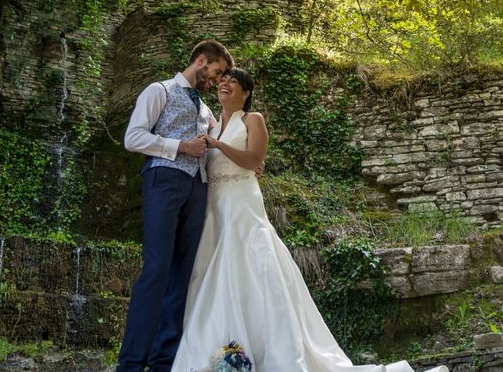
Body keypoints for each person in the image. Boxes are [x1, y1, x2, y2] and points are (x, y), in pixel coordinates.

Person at [171, 68, 447, 372]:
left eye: (232, 82)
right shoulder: (211, 124)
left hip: (242, 203)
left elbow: (253, 160)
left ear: (246, 92)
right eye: (222, 81)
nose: (224, 84)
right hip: (215, 206)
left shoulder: (253, 120)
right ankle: (220, 347)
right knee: (214, 272)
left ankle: (273, 351)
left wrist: (220, 146)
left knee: (253, 264)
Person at [117, 40, 234, 372]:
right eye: (217, 72)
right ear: (201, 61)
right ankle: (131, 363)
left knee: (183, 274)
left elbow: (218, 145)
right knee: (156, 270)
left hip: (198, 189)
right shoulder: (160, 91)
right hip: (163, 182)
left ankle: (164, 362)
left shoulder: (207, 111)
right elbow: (133, 137)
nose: (218, 81)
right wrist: (180, 146)